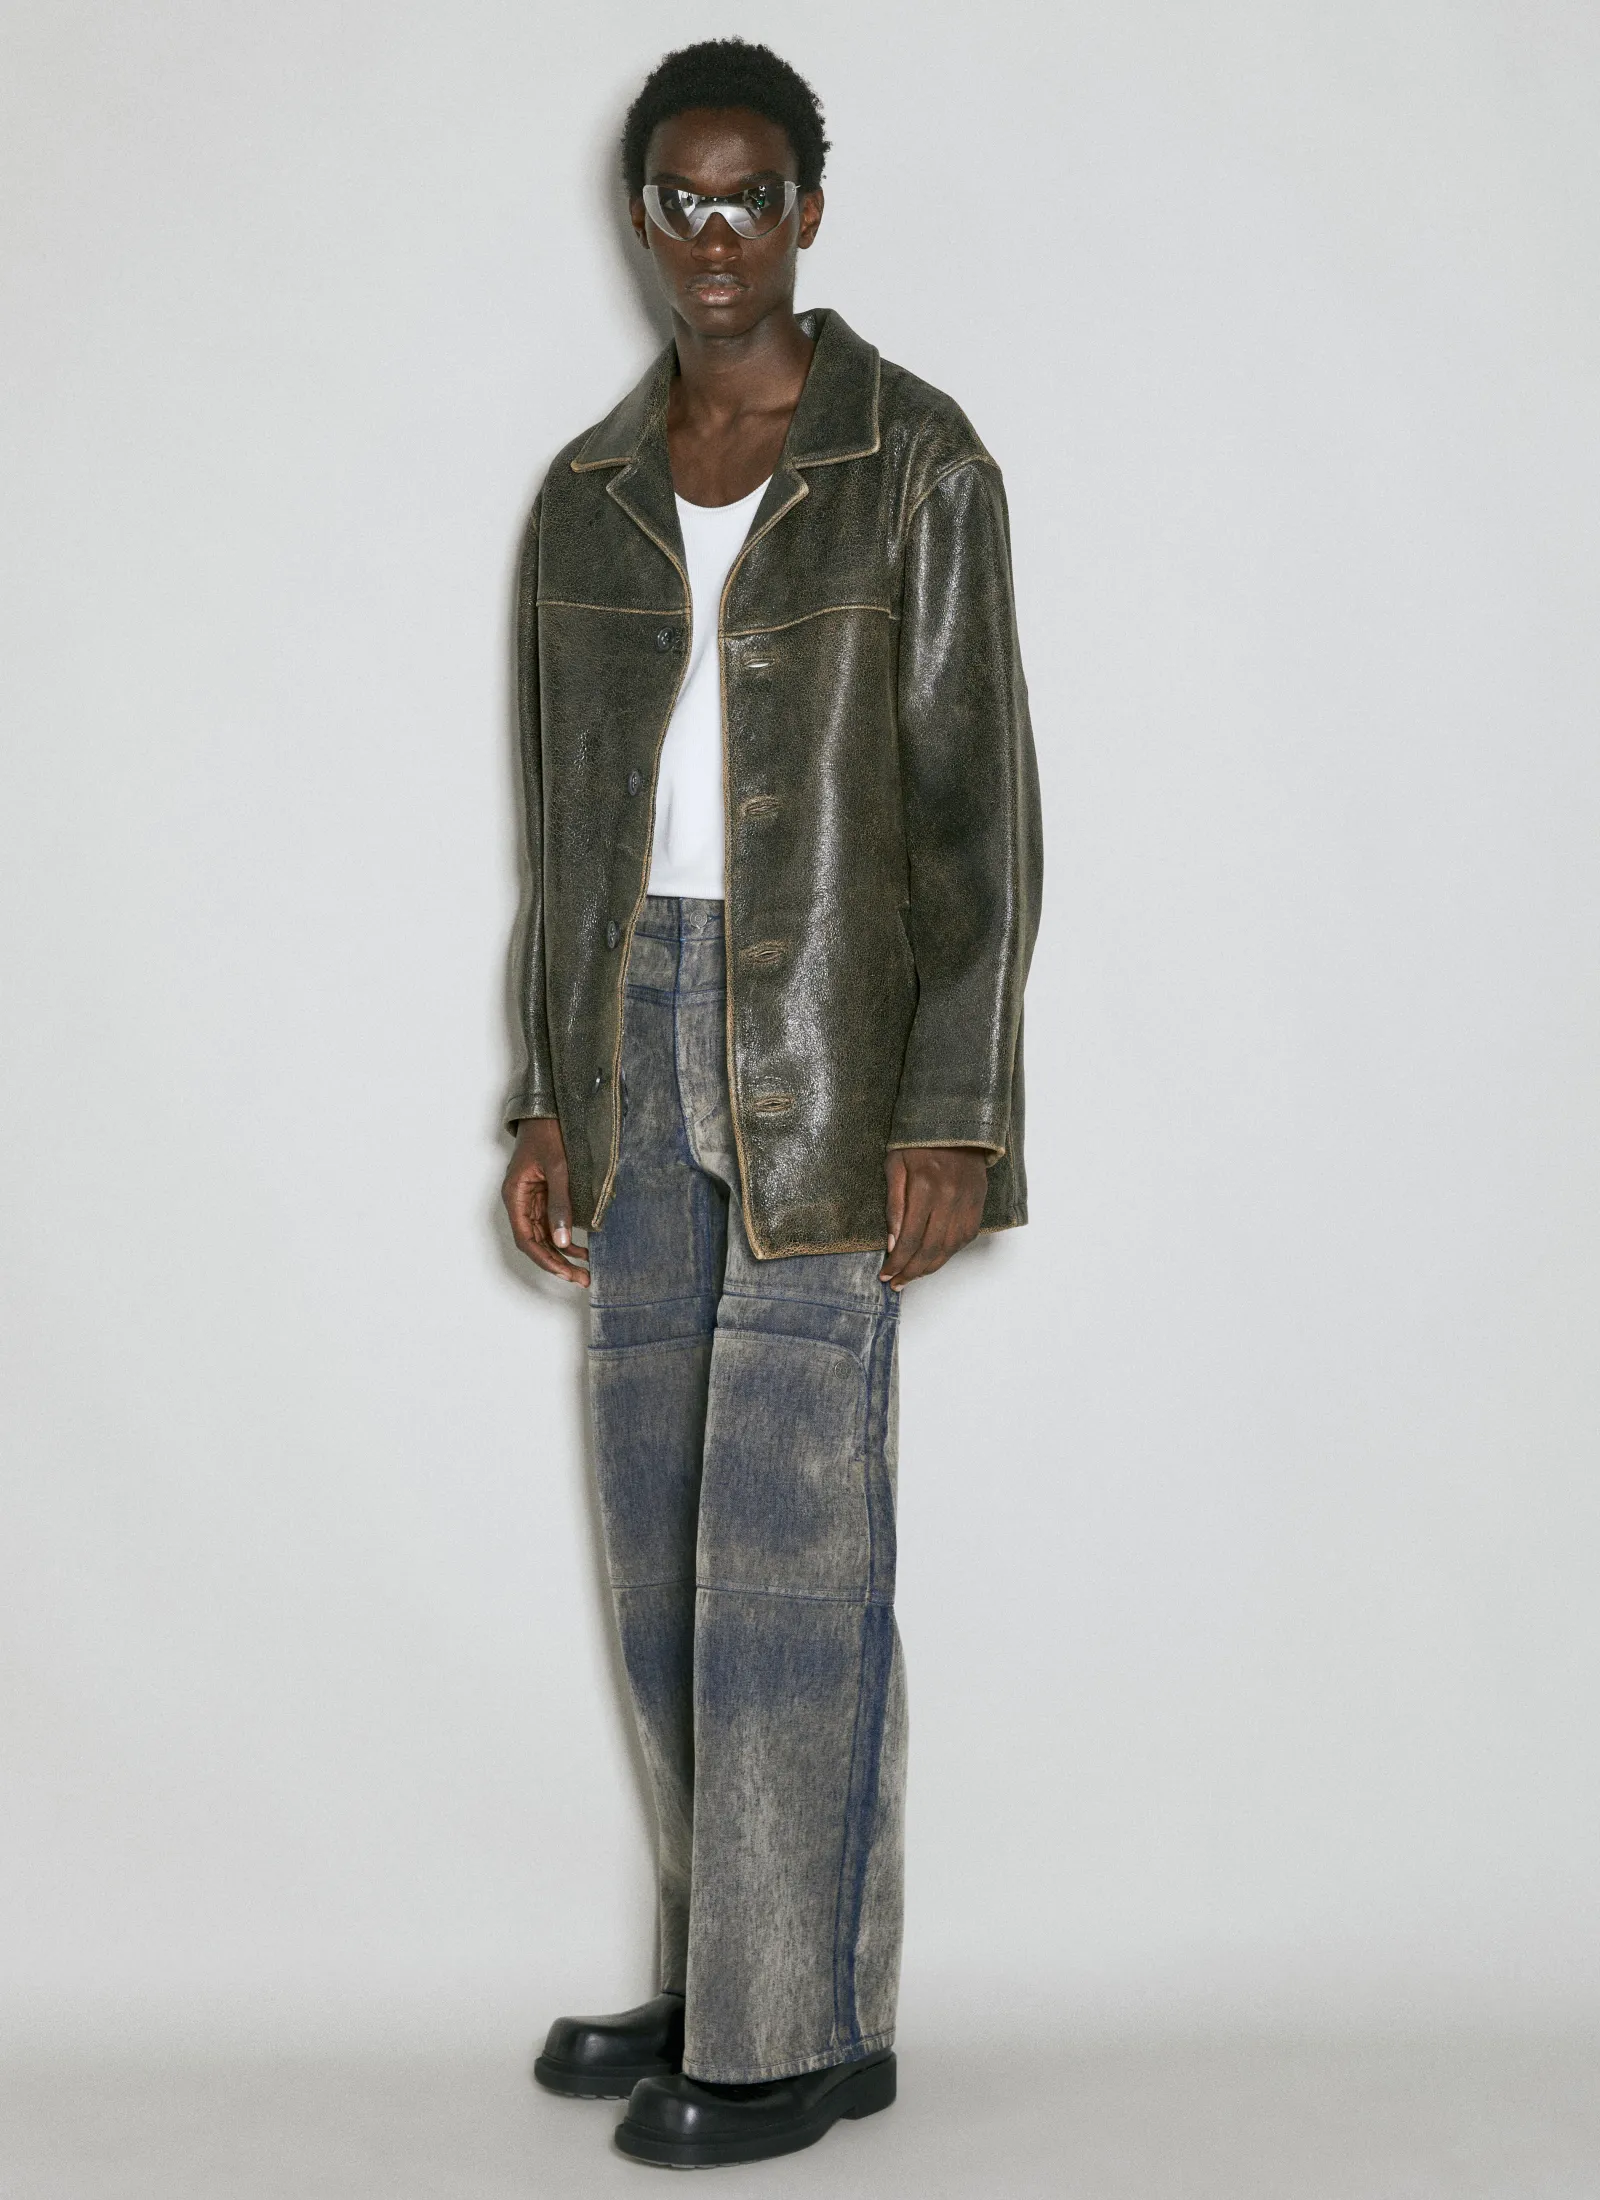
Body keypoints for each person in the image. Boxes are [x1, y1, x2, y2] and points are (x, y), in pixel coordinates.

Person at [500, 38, 1041, 2170]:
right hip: (631, 1028)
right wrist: (546, 1093)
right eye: (677, 198)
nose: (711, 236)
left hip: (827, 1032)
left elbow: (976, 810)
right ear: (640, 215)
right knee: (660, 1545)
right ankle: (729, 1959)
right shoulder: (589, 491)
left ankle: (793, 2020)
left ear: (808, 210)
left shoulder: (917, 462)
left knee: (789, 1554)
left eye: (748, 196)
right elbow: (565, 831)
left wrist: (950, 1106)